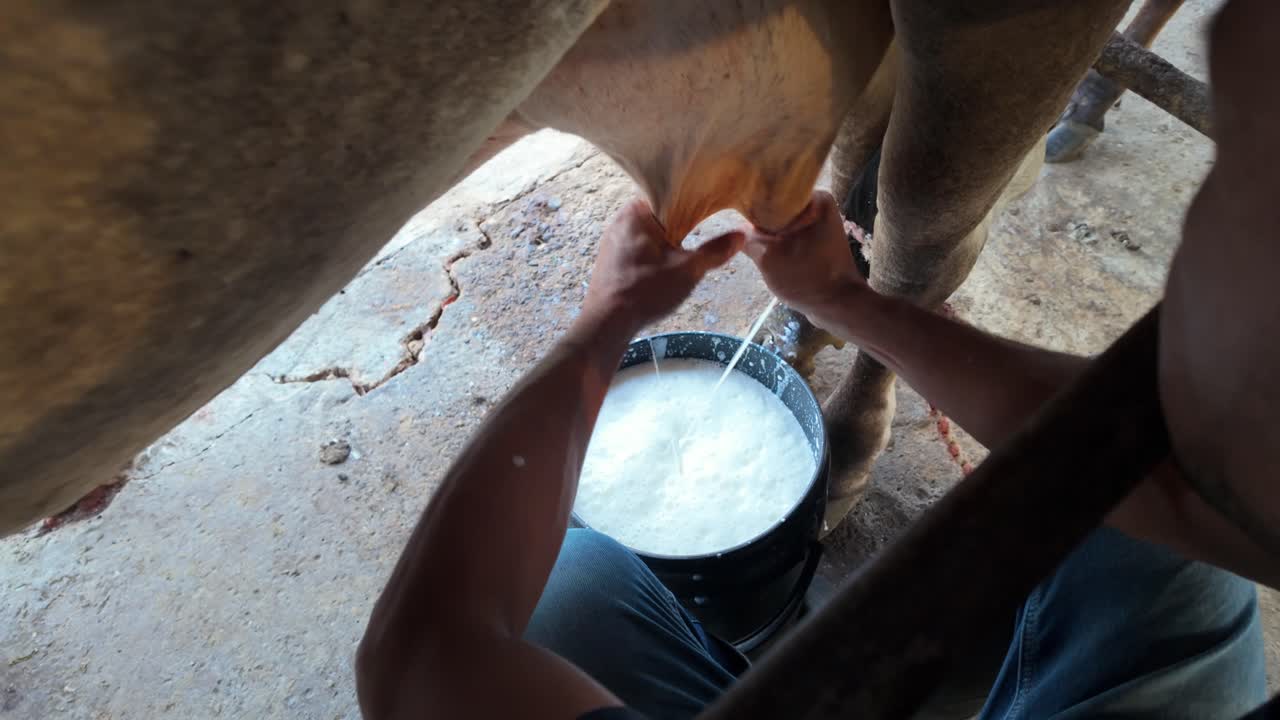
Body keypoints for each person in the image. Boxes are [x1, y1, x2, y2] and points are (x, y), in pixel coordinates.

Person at [354, 1, 1279, 717]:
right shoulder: (1238, 468)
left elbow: (419, 658)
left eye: (1234, 171)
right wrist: (843, 300)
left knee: (570, 582)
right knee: (1171, 545)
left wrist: (603, 325)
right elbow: (1176, 476)